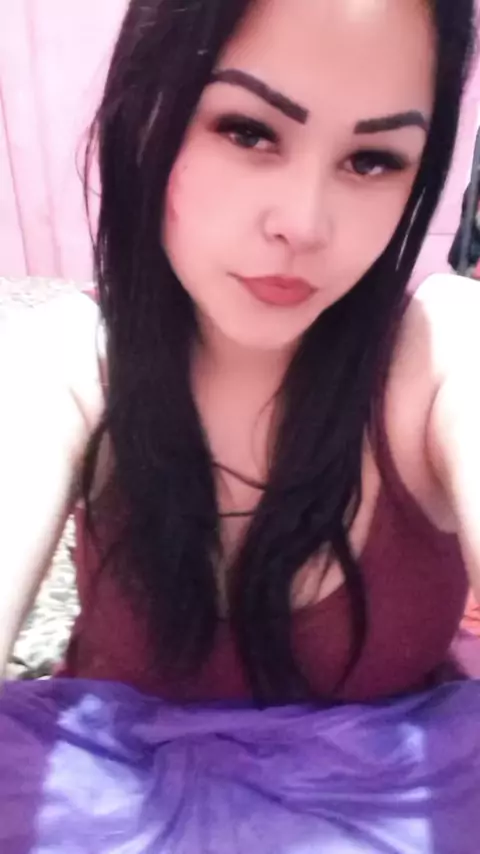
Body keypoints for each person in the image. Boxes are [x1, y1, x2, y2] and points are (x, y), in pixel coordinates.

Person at [1, 0, 480, 850]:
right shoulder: (69, 360)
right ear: (148, 112)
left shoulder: (443, 352)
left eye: (373, 159)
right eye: (248, 130)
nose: (304, 223)